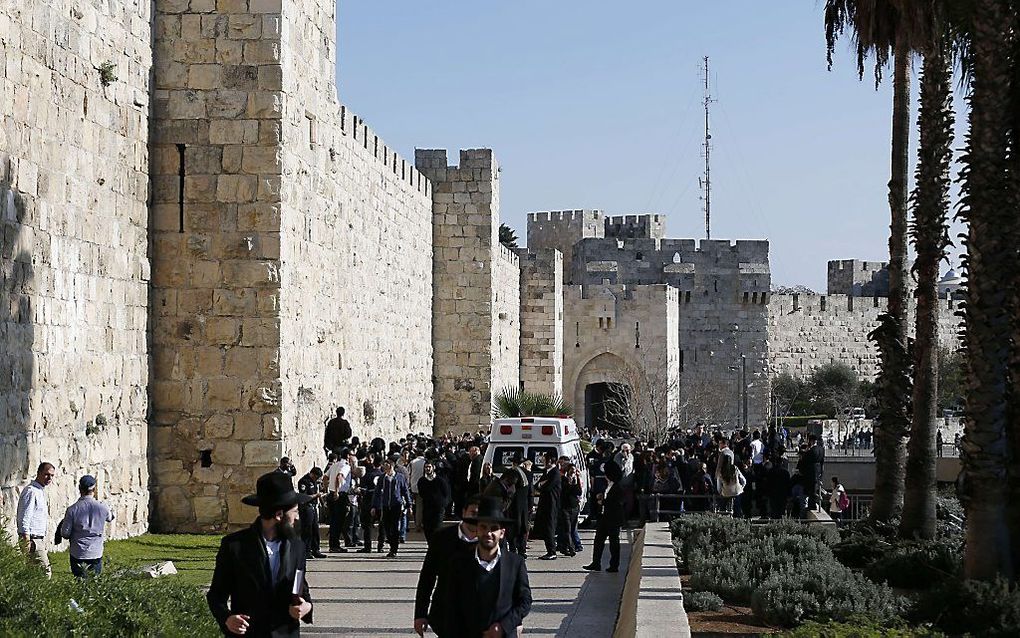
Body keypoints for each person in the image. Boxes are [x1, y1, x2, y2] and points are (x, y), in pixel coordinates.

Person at [207, 471, 313, 637]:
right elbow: (216, 596)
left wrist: (306, 606)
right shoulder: (235, 546)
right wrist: (227, 618)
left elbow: (301, 589)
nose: (297, 518)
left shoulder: (297, 547)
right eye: (295, 512)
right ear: (279, 515)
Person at [436, 497, 533, 637]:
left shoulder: (515, 563)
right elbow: (451, 605)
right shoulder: (459, 563)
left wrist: (505, 626)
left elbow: (524, 601)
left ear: (502, 533)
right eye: (483, 527)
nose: (488, 533)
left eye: (494, 529)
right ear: (477, 530)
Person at [414, 497, 480, 637]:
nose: (477, 518)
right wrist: (420, 614)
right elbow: (427, 577)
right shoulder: (442, 538)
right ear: (464, 512)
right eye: (473, 513)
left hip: (480, 619)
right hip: (446, 615)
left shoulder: (492, 540)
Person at [57, 474, 115, 578]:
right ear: (95, 489)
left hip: (78, 552)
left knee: (80, 582)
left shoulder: (72, 509)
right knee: (94, 583)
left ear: (79, 488)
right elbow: (110, 517)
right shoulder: (102, 507)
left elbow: (65, 533)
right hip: (96, 552)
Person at [584, 460, 624, 573]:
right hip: (604, 518)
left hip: (613, 519)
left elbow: (618, 503)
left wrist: (604, 502)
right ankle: (596, 562)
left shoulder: (618, 487)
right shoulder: (608, 486)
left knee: (614, 543)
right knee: (598, 541)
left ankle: (614, 565)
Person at [17, 462, 55, 578]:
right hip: (32, 538)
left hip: (38, 538)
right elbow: (24, 516)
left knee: (33, 573)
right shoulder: (31, 491)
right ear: (39, 473)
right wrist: (26, 540)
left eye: (52, 475)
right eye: (46, 474)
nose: (49, 478)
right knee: (45, 572)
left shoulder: (40, 491)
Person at [372, 457, 411, 557]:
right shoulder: (382, 478)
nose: (385, 468)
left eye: (387, 466)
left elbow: (405, 490)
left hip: (396, 505)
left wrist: (408, 504)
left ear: (392, 466)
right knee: (387, 526)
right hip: (385, 505)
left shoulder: (399, 477)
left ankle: (394, 549)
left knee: (394, 527)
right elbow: (377, 492)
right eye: (384, 466)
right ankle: (390, 541)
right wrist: (374, 506)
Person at [533, 453, 562, 561]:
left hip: (551, 504)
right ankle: (549, 549)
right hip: (544, 503)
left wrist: (542, 485)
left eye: (544, 460)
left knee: (549, 527)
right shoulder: (546, 472)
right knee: (545, 527)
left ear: (550, 461)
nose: (543, 462)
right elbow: (537, 485)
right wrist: (541, 485)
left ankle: (552, 551)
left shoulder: (555, 473)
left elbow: (547, 487)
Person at [324, 450, 351, 553]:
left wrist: (327, 490)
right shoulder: (346, 466)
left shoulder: (334, 465)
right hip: (340, 495)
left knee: (333, 521)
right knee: (338, 521)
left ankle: (333, 544)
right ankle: (335, 545)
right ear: (348, 456)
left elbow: (325, 477)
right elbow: (339, 477)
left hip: (331, 494)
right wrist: (337, 491)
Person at [418, 460, 451, 542]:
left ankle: (435, 546)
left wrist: (443, 504)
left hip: (438, 509)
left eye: (429, 467)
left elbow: (446, 493)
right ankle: (431, 545)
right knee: (427, 528)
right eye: (426, 467)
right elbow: (421, 493)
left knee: (436, 528)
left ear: (433, 468)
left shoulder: (440, 480)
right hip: (427, 508)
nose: (427, 469)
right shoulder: (422, 481)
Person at [297, 467, 327, 559]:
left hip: (313, 507)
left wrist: (321, 500)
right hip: (306, 508)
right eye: (316, 477)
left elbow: (316, 492)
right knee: (307, 530)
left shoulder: (313, 481)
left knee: (315, 529)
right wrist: (316, 495)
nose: (316, 479)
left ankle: (316, 549)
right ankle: (306, 550)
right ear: (312, 474)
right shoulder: (304, 481)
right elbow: (304, 497)